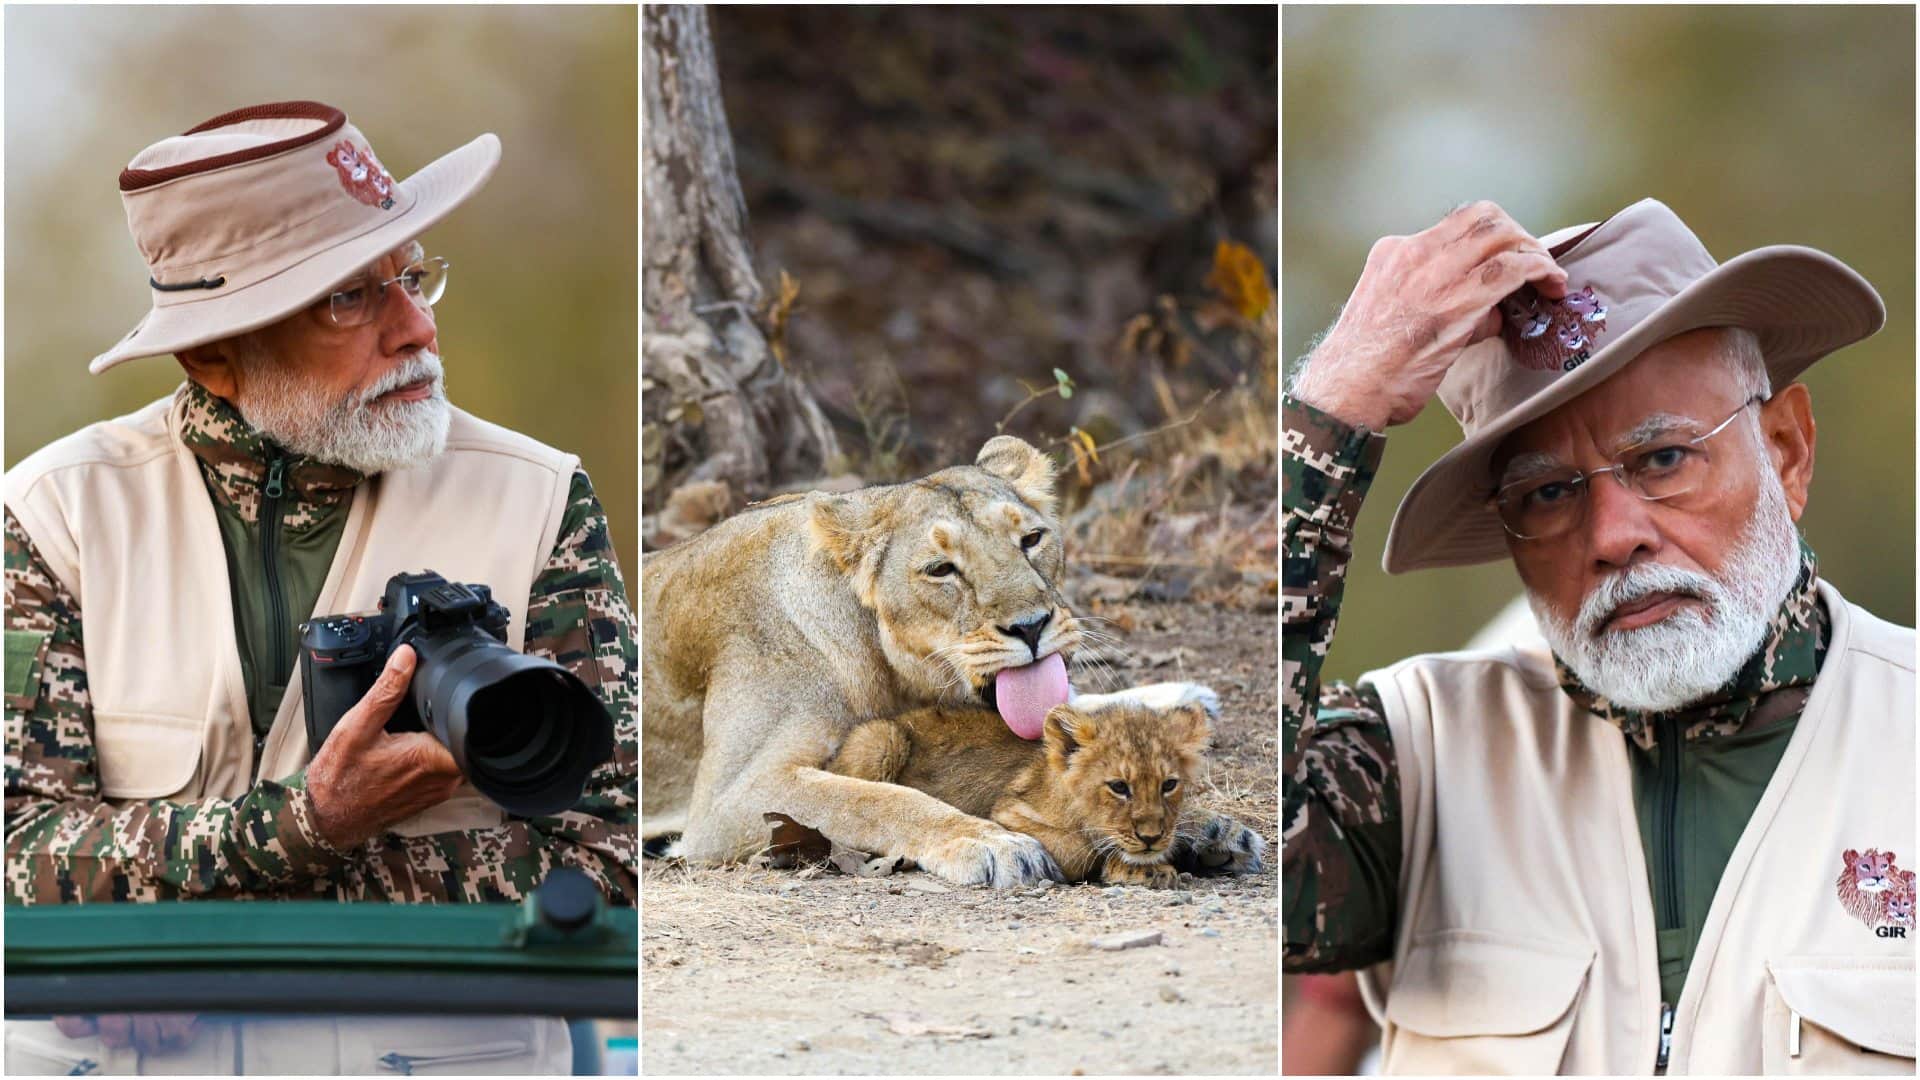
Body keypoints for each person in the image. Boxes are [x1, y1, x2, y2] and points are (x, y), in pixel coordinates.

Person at [2, 101, 636, 1070]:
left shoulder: (541, 495)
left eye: (413, 275)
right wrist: (309, 827)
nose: (416, 326)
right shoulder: (53, 514)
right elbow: (15, 857)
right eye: (350, 296)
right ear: (213, 354)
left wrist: (152, 948)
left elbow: (616, 864)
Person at [1283, 198, 1914, 1074]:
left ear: (1786, 451)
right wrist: (1327, 416)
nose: (1615, 535)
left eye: (1663, 459)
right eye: (1548, 493)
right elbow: (1204, 846)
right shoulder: (1416, 759)